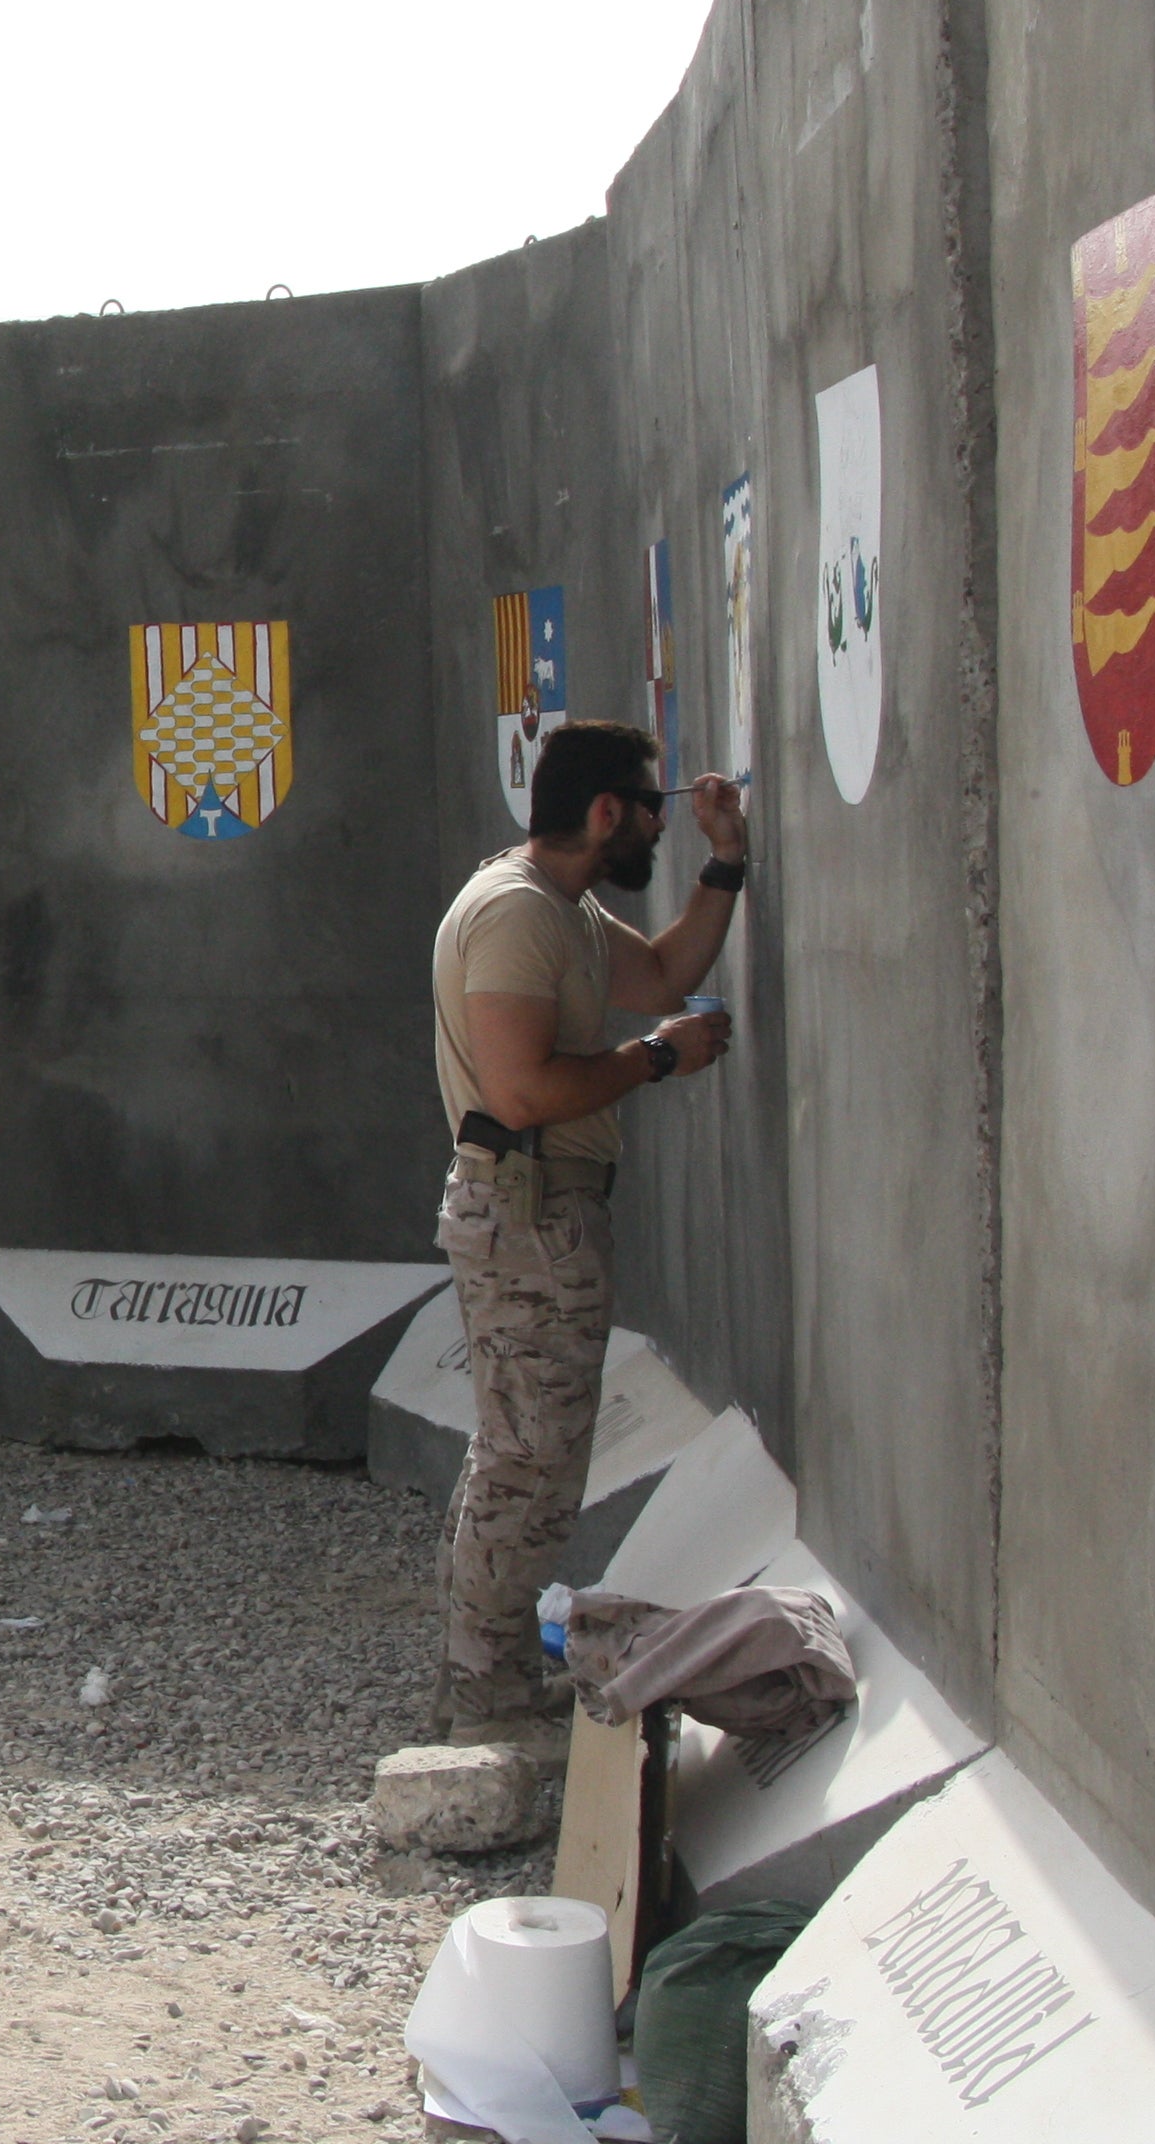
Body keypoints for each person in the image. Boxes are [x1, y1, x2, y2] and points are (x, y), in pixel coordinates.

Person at [425, 717, 748, 1742]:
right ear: (606, 812)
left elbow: (656, 974)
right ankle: (484, 1688)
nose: (659, 827)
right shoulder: (520, 915)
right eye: (653, 810)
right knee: (531, 1461)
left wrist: (726, 864)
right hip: (526, 1210)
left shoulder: (557, 907)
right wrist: (655, 1059)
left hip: (539, 1211)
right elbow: (521, 1092)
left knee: (524, 1453)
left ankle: (490, 1664)